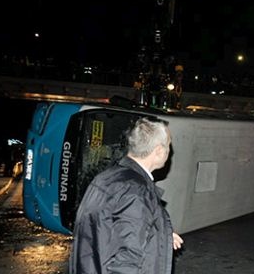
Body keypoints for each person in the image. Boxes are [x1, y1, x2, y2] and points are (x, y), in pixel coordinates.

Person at [69, 117, 184, 274]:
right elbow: (127, 260)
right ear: (158, 151)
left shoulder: (109, 176)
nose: (170, 151)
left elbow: (108, 230)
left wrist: (161, 234)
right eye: (168, 145)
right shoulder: (136, 192)